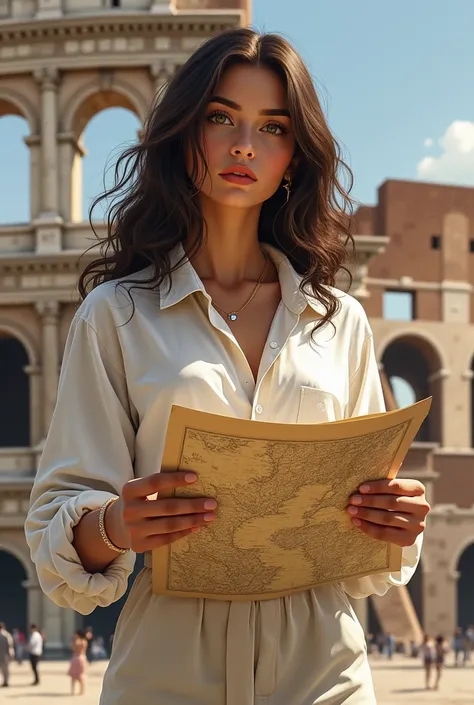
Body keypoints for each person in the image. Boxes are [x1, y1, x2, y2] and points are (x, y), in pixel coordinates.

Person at [24, 28, 430, 705]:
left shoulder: (340, 321)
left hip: (323, 669)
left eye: (272, 128)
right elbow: (57, 524)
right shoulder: (115, 314)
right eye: (222, 119)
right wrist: (115, 526)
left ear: (293, 158)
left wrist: (393, 520)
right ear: (187, 138)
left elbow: (369, 560)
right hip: (167, 668)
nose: (245, 145)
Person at [68, 630, 88, 695]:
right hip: (81, 658)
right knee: (80, 676)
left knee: (77, 676)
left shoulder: (78, 641)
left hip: (78, 658)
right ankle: (81, 691)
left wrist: (74, 641)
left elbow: (73, 647)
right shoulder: (85, 641)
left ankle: (75, 690)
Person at [0, 623, 14, 687]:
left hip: (4, 654)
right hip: (5, 655)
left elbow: (10, 645)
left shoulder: (6, 635)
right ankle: (6, 681)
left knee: (4, 670)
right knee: (5, 669)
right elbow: (10, 645)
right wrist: (11, 654)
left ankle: (5, 681)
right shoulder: (7, 635)